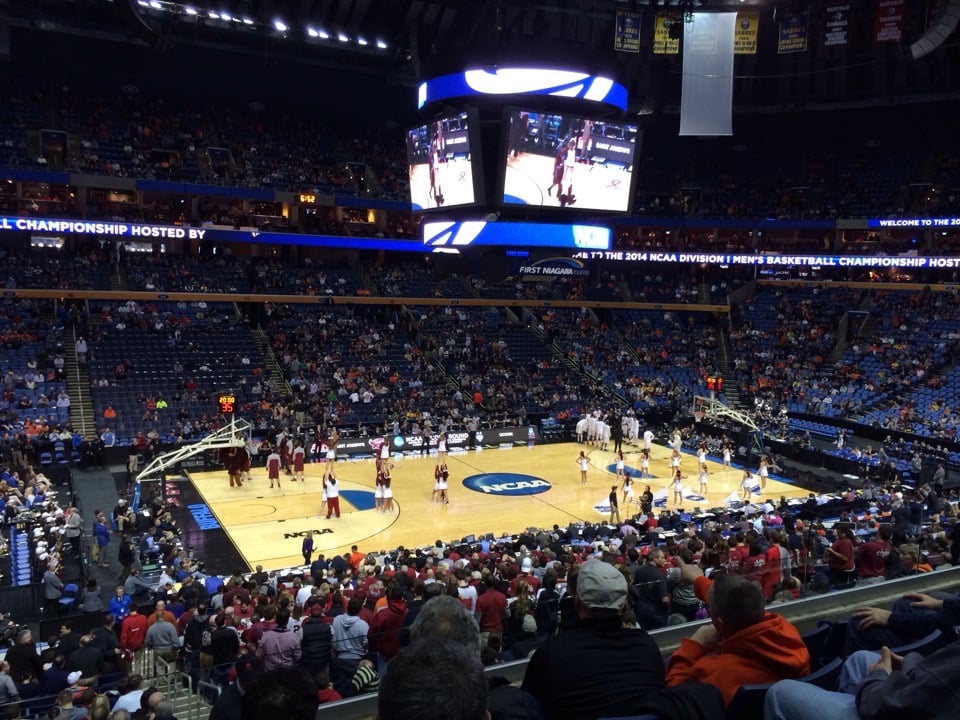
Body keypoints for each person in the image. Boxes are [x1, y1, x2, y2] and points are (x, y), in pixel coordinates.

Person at [522, 559, 666, 720]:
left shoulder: (551, 653)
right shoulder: (647, 646)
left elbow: (528, 708)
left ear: (577, 604)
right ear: (624, 606)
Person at [665, 558, 810, 706]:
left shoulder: (716, 672)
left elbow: (676, 696)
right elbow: (736, 599)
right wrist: (698, 580)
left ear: (720, 623)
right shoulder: (785, 630)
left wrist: (694, 645)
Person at [763, 641, 960, 720]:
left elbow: (882, 706)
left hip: (887, 709)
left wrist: (878, 676)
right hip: (926, 699)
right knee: (860, 658)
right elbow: (939, 675)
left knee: (780, 691)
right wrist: (912, 664)